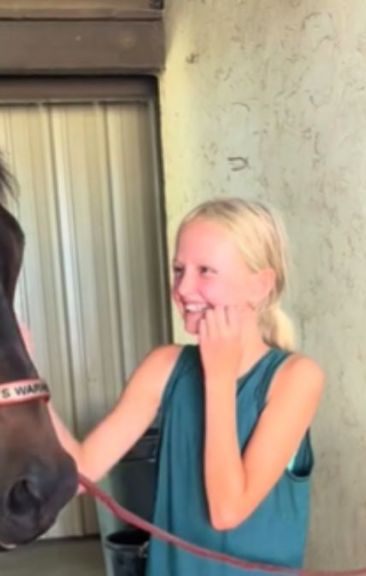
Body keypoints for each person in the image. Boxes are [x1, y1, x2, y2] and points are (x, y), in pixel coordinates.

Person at [46, 197, 325, 575]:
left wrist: (220, 376)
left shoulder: (295, 378)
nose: (183, 288)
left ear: (260, 285)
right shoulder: (164, 366)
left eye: (206, 271)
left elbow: (227, 510)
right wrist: (23, 382)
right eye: (179, 269)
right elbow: (79, 473)